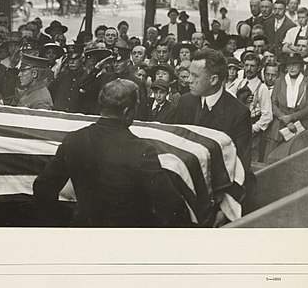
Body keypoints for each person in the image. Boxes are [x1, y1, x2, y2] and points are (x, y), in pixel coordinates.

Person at [33, 79, 190, 227]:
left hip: (84, 230)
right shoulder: (141, 150)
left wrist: (55, 224)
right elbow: (171, 205)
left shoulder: (74, 139)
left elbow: (43, 187)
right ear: (128, 112)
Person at [173, 48, 256, 216]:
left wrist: (224, 210)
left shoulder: (238, 113)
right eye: (189, 74)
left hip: (218, 196)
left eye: (195, 76)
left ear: (213, 80)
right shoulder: (185, 102)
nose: (189, 80)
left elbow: (241, 165)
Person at [236, 53, 273, 162]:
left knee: (251, 160)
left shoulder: (262, 88)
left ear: (258, 68)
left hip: (253, 127)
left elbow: (267, 115)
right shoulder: (240, 84)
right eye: (246, 65)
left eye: (252, 66)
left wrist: (253, 128)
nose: (249, 68)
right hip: (238, 127)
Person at [269, 52, 308, 147]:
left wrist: (292, 118)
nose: (291, 68)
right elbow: (273, 104)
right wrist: (285, 120)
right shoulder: (279, 81)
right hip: (280, 122)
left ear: (300, 66)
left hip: (300, 124)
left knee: (297, 152)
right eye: (289, 65)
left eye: (295, 64)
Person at [49, 43, 88, 112]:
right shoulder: (62, 76)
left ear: (82, 58)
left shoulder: (87, 77)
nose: (71, 62)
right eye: (69, 59)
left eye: (75, 59)